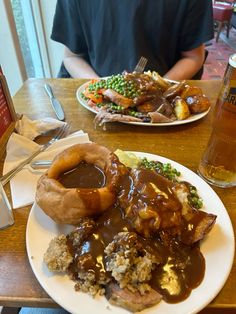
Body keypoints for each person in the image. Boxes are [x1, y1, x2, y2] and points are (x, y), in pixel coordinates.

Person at [51, 0, 214, 80]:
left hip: (163, 96)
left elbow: (192, 57)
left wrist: (158, 90)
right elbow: (72, 57)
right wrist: (101, 90)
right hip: (93, 89)